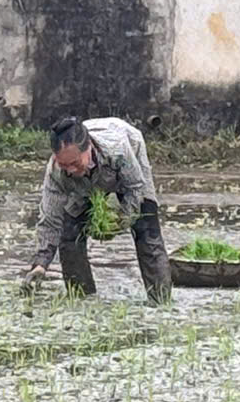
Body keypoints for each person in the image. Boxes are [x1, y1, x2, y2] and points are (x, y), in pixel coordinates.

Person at [26, 116, 171, 305]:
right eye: (64, 165)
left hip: (125, 166)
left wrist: (121, 220)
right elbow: (50, 218)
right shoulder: (57, 171)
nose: (69, 170)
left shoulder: (118, 150)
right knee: (69, 235)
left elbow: (135, 189)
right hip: (82, 185)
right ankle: (82, 299)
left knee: (146, 228)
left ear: (88, 148)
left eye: (74, 163)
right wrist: (40, 264)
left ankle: (160, 301)